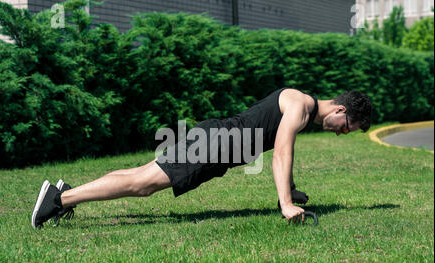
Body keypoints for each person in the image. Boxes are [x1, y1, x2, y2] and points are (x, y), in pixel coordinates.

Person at [31, 88, 372, 229]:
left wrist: (291, 190)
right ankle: (57, 199)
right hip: (215, 145)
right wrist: (285, 204)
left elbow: (281, 146)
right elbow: (282, 151)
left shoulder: (303, 105)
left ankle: (68, 192)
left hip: (217, 143)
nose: (343, 132)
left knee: (142, 174)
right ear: (341, 109)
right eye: (348, 127)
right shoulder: (301, 104)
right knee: (143, 184)